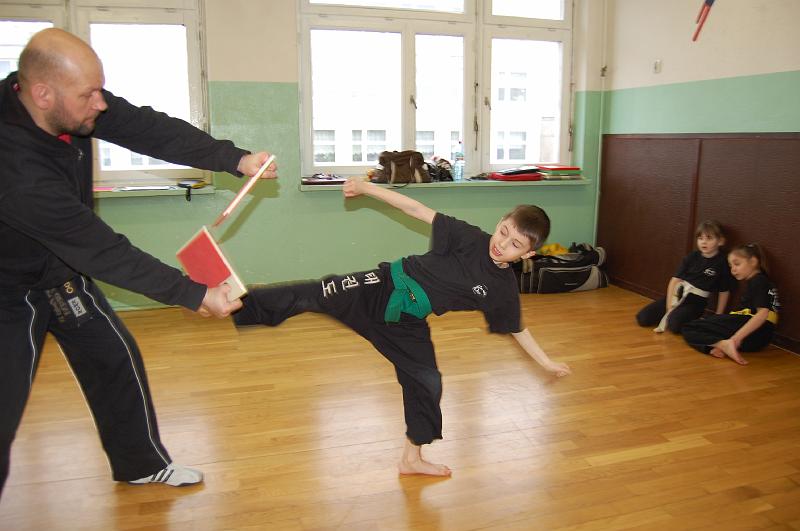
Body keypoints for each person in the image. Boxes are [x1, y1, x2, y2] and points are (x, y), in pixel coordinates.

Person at [0, 28, 277, 496]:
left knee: (113, 357)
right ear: (43, 94)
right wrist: (194, 293)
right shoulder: (14, 167)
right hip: (7, 288)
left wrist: (235, 159)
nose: (100, 104)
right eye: (89, 95)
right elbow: (101, 250)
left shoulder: (64, 103)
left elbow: (145, 127)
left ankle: (140, 465)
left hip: (58, 272)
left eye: (100, 89)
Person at [233, 177, 571, 477]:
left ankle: (412, 458)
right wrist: (366, 188)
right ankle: (233, 306)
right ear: (500, 223)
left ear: (528, 255)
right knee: (313, 293)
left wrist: (546, 363)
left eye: (515, 245)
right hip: (380, 287)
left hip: (407, 322)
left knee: (428, 383)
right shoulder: (468, 237)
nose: (502, 244)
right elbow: (416, 209)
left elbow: (516, 328)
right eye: (503, 232)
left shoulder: (502, 289)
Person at [681, 243, 779, 365]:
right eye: (730, 266)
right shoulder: (762, 281)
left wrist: (735, 339)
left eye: (737, 264)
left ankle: (724, 344)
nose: (733, 269)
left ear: (753, 261)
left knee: (690, 327)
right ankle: (721, 346)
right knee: (704, 325)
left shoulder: (759, 281)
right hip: (759, 341)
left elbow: (763, 313)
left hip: (754, 329)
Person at [636, 220, 733, 334]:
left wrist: (718, 315)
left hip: (695, 303)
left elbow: (724, 291)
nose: (704, 242)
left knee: (674, 325)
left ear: (720, 241)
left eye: (709, 238)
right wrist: (669, 307)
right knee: (642, 318)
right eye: (700, 238)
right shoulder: (692, 257)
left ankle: (691, 319)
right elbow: (674, 281)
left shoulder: (722, 262)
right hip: (678, 295)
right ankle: (672, 315)